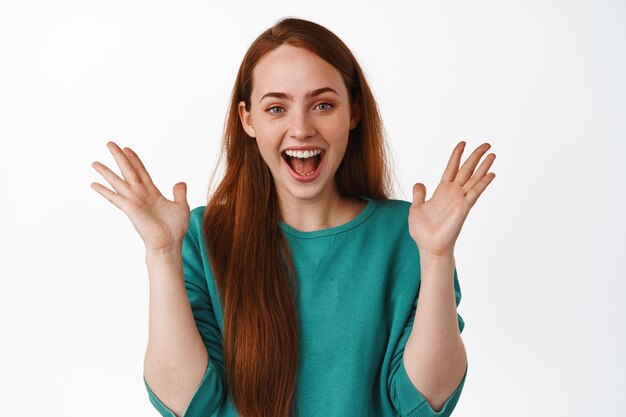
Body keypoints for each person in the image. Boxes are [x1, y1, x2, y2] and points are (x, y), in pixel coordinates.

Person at [90, 17, 496, 417]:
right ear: (248, 119)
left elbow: (423, 402)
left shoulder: (411, 235)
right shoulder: (202, 237)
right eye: (276, 108)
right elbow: (187, 403)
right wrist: (162, 252)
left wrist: (438, 257)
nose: (300, 129)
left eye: (322, 105)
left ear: (353, 112)